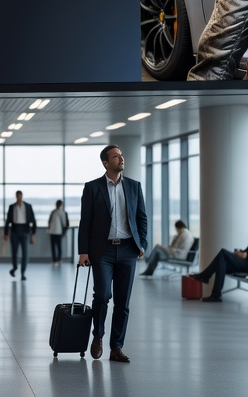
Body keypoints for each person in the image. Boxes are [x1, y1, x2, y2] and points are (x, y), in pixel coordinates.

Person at [78, 145, 147, 363]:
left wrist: (142, 243)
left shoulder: (134, 187)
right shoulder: (92, 188)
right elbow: (85, 222)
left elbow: (141, 218)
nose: (121, 158)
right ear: (106, 163)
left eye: (121, 155)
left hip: (128, 249)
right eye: (116, 156)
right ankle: (97, 335)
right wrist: (83, 251)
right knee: (102, 295)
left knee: (123, 302)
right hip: (103, 251)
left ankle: (116, 347)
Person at [189, 215, 248, 302]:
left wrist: (246, 255)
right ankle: (215, 295)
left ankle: (205, 277)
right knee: (221, 263)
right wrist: (242, 252)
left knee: (223, 253)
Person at [5, 190, 36, 280]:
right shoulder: (12, 207)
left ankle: (23, 272)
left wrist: (32, 234)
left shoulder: (28, 206)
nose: (18, 198)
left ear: (22, 196)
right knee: (14, 252)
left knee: (25, 253)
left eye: (20, 197)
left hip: (25, 231)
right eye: (17, 197)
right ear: (16, 197)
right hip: (14, 231)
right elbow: (7, 221)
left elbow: (33, 221)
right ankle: (14, 268)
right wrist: (6, 233)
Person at [47, 200, 70, 265]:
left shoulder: (55, 212)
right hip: (54, 232)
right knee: (56, 246)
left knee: (56, 246)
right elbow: (65, 223)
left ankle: (57, 259)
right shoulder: (61, 212)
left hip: (56, 232)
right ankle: (56, 260)